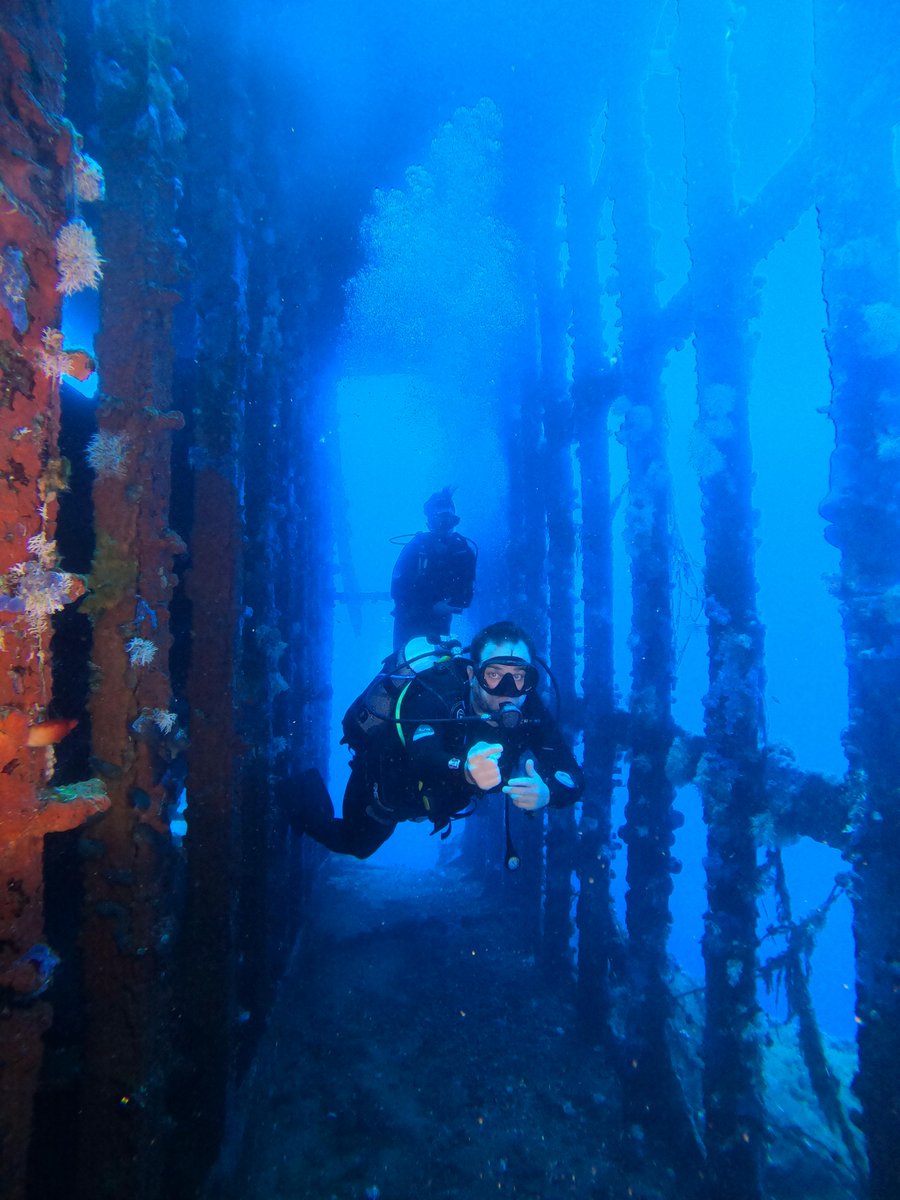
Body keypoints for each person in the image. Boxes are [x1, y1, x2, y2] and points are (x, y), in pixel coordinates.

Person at [289, 621, 583, 860]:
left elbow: (572, 777)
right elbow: (423, 754)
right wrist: (465, 769)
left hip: (434, 798)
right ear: (472, 674)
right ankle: (292, 793)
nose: (508, 689)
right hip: (384, 783)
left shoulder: (529, 708)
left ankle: (299, 788)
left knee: (359, 845)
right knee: (355, 844)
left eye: (519, 676)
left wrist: (549, 793)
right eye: (494, 674)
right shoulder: (437, 690)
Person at [390, 487, 477, 651]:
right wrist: (431, 609)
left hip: (440, 627)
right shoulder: (415, 549)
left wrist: (444, 606)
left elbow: (466, 597)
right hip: (408, 625)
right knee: (404, 663)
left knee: (439, 664)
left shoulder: (463, 552)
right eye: (439, 520)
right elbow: (397, 593)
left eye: (450, 520)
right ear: (429, 522)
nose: (444, 526)